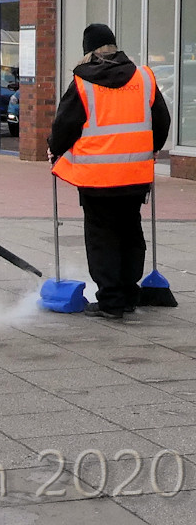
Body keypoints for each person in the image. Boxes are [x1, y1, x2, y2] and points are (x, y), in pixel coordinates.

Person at [48, 23, 170, 319]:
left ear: (87, 51)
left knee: (102, 237)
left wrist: (55, 148)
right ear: (115, 46)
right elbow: (162, 120)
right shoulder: (144, 76)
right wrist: (150, 149)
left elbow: (65, 124)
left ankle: (111, 302)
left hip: (97, 178)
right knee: (130, 230)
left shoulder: (82, 82)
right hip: (135, 176)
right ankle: (129, 293)